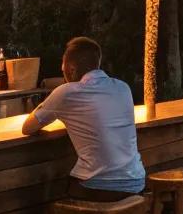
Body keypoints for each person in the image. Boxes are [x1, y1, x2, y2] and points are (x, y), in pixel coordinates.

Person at [22, 36, 146, 199]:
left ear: (71, 69)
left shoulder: (66, 92)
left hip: (101, 186)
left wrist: (53, 106)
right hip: (137, 181)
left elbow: (28, 128)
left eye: (63, 70)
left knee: (60, 190)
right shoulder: (123, 88)